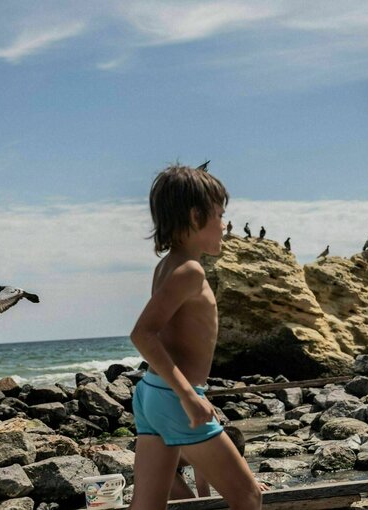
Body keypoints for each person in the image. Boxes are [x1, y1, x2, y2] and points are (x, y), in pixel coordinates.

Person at [128, 164, 261, 510]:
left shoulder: (168, 265)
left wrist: (191, 393)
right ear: (195, 215)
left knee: (147, 506)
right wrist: (188, 396)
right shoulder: (190, 270)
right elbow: (143, 334)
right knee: (248, 497)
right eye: (220, 215)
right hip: (173, 398)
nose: (225, 224)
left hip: (152, 394)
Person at [169, 426, 269, 499]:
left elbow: (240, 458)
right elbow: (202, 487)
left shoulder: (219, 436)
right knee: (188, 501)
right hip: (161, 466)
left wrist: (252, 482)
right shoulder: (203, 448)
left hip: (177, 462)